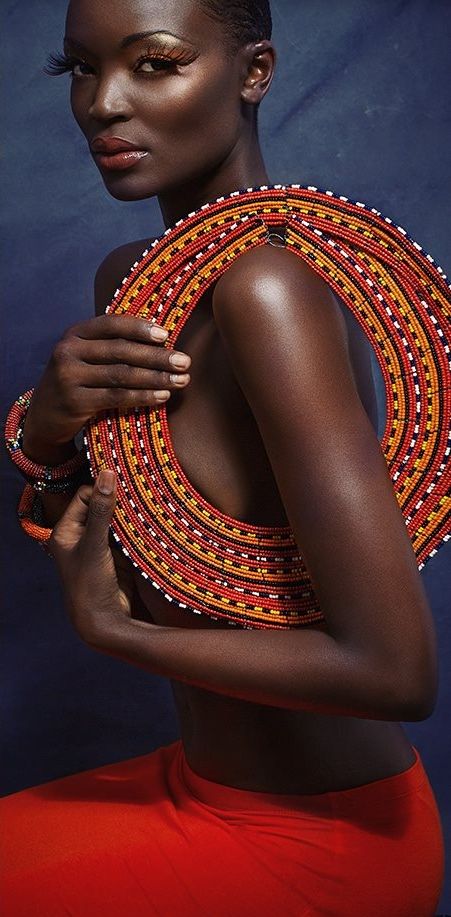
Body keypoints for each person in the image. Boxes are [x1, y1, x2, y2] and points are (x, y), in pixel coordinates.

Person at [2, 1, 447, 914]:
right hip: (199, 785)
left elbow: (396, 673)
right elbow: (97, 526)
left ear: (254, 73)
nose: (102, 104)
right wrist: (45, 429)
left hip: (321, 838)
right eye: (79, 69)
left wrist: (113, 630)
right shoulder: (134, 281)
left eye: (154, 63)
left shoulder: (268, 290)